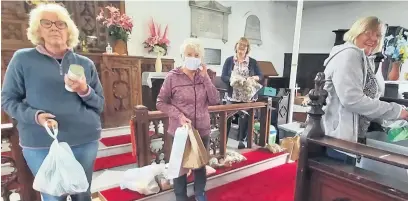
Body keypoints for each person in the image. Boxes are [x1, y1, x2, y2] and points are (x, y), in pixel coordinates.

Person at [1, 3, 104, 201]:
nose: (54, 27)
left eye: (60, 24)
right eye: (47, 23)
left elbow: (99, 104)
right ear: (37, 29)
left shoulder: (85, 63)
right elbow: (8, 100)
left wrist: (84, 90)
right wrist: (36, 116)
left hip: (84, 139)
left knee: (82, 194)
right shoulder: (22, 59)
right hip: (41, 142)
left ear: (69, 30)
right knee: (52, 197)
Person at [323, 16, 408, 165]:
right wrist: (397, 111)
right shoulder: (349, 55)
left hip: (353, 137)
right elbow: (352, 100)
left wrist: (390, 119)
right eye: (368, 33)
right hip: (340, 139)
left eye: (378, 35)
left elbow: (370, 100)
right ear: (357, 32)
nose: (373, 38)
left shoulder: (365, 59)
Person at [156, 38, 220, 201]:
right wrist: (179, 116)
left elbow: (214, 100)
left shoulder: (206, 76)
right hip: (181, 131)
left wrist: (205, 78)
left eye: (196, 55)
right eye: (189, 54)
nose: (193, 57)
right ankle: (180, 196)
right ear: (183, 56)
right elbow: (160, 102)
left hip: (202, 129)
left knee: (200, 164)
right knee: (179, 167)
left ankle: (199, 193)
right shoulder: (173, 77)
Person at [221, 37, 263, 149]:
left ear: (247, 49)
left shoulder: (252, 62)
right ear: (236, 47)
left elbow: (260, 76)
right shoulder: (229, 60)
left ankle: (241, 141)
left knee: (245, 118)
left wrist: (254, 77)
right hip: (233, 95)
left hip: (247, 96)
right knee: (227, 118)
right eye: (239, 47)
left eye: (244, 48)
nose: (241, 50)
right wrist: (233, 80)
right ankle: (223, 142)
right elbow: (223, 76)